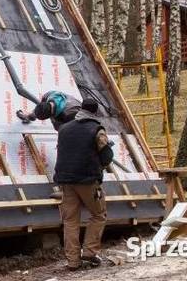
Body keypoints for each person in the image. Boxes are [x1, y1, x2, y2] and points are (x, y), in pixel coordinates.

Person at [53, 98, 114, 271]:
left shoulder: (64, 129)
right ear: (94, 112)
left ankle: (72, 261)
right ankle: (89, 252)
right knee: (98, 214)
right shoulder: (97, 129)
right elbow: (107, 156)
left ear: (81, 109)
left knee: (70, 221)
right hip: (87, 180)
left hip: (65, 181)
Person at [17, 90, 81, 130]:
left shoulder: (67, 114)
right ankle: (30, 117)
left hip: (76, 114)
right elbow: (41, 107)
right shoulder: (48, 95)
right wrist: (31, 116)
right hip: (64, 106)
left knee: (59, 127)